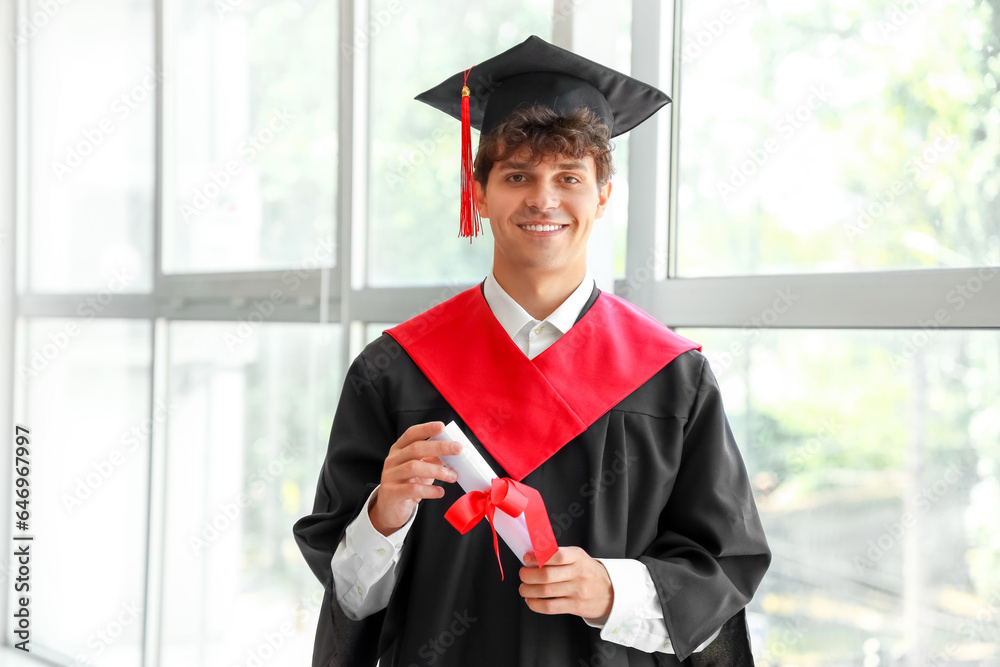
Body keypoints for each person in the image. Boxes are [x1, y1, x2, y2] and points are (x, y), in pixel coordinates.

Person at [293, 35, 770, 667]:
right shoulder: (395, 370)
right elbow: (352, 598)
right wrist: (384, 514)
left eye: (568, 178)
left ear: (603, 195)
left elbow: (721, 574)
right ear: (480, 191)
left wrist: (611, 590)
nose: (543, 199)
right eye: (518, 176)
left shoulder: (673, 380)